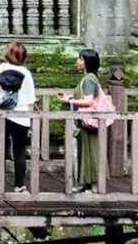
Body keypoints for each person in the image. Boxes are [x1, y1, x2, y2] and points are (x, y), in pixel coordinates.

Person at [57, 49, 107, 193]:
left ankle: (95, 188)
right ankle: (89, 185)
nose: (77, 62)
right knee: (87, 151)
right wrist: (70, 98)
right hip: (87, 123)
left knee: (91, 151)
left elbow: (88, 101)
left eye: (80, 59)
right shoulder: (89, 78)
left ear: (87, 62)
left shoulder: (89, 80)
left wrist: (69, 100)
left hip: (88, 122)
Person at [0, 42, 36, 193]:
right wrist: (29, 120)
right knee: (20, 151)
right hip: (21, 116)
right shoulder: (26, 73)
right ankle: (20, 185)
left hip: (0, 114)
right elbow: (30, 100)